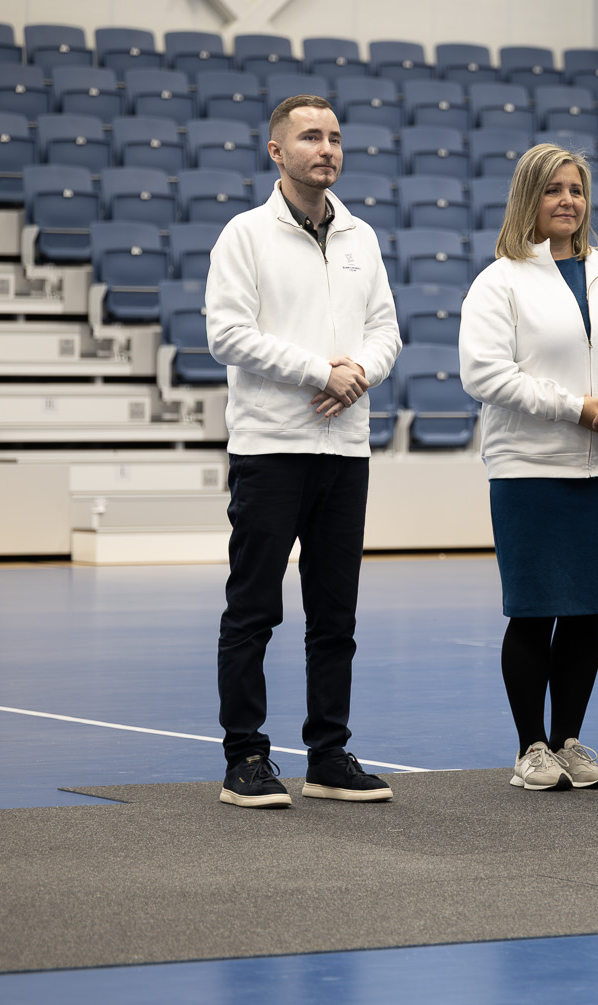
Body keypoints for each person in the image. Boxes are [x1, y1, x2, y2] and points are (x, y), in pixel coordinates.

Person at [206, 95, 401, 808]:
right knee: (254, 609)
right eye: (311, 137)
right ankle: (245, 758)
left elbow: (386, 330)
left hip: (345, 449)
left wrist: (360, 373)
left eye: (335, 138)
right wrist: (321, 371)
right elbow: (228, 334)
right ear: (276, 151)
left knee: (335, 614)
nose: (326, 149)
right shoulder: (245, 235)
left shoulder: (360, 237)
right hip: (270, 447)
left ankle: (328, 755)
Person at [459, 143, 598, 791]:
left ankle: (568, 741)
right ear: (529, 198)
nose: (567, 201)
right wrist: (573, 407)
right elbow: (484, 373)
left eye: (576, 190)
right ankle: (530, 747)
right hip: (530, 468)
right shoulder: (500, 281)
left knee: (586, 612)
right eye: (553, 189)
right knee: (534, 610)